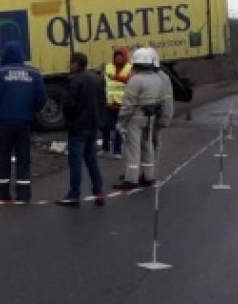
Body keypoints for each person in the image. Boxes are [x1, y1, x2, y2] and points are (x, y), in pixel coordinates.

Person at [0, 41, 47, 203]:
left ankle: (4, 194)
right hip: (24, 121)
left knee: (4, 156)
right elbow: (41, 99)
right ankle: (23, 195)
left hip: (4, 121)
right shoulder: (34, 73)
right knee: (23, 157)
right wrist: (31, 111)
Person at [114, 47, 172, 190]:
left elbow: (128, 104)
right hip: (150, 118)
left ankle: (131, 179)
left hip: (135, 119)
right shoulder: (157, 79)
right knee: (147, 148)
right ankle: (148, 176)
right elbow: (162, 100)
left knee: (133, 149)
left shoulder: (135, 80)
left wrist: (121, 120)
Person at [59, 52, 107, 207]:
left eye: (71, 63)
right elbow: (102, 101)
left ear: (76, 64)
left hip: (78, 127)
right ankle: (99, 192)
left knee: (76, 162)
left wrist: (69, 120)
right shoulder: (95, 79)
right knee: (91, 160)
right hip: (92, 126)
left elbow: (69, 105)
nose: (69, 65)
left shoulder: (74, 80)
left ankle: (74, 195)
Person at [102, 46, 131, 160]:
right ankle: (105, 148)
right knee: (105, 127)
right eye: (116, 56)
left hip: (122, 104)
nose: (118, 58)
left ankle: (117, 151)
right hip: (109, 103)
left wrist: (115, 77)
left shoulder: (129, 68)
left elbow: (130, 80)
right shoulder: (109, 67)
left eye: (120, 56)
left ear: (124, 57)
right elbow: (104, 81)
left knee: (118, 128)